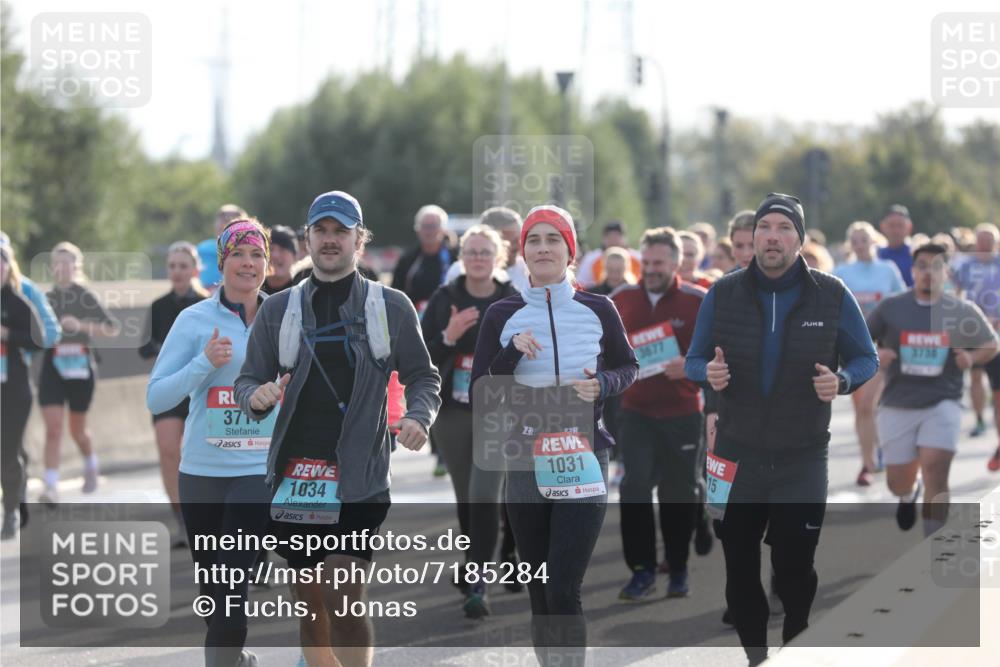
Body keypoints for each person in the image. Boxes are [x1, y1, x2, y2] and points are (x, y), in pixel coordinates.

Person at [234, 191, 441, 667]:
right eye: (321, 231)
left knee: (343, 593)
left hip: (359, 476)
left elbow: (423, 376)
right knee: (309, 604)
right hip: (295, 475)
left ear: (359, 240)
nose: (330, 240)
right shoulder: (278, 309)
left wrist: (418, 415)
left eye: (340, 232)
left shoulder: (390, 306)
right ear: (307, 240)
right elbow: (248, 379)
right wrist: (255, 397)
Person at [685, 193, 878, 666]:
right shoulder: (723, 292)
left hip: (802, 454)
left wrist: (842, 380)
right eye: (765, 227)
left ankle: (796, 634)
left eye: (784, 228)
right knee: (739, 569)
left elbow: (866, 358)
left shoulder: (831, 293)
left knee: (794, 568)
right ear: (752, 237)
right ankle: (756, 657)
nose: (773, 236)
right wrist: (707, 373)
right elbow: (693, 360)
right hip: (735, 453)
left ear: (800, 238)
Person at [471, 205, 638, 667]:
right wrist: (510, 354)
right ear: (522, 252)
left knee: (563, 586)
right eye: (534, 240)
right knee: (540, 589)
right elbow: (481, 390)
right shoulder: (501, 314)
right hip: (525, 458)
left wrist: (602, 384)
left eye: (553, 240)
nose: (543, 248)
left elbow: (628, 366)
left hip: (583, 454)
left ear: (570, 252)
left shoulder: (599, 308)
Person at [148, 218, 273, 667]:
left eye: (257, 254)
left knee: (232, 590)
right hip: (200, 474)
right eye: (238, 254)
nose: (248, 263)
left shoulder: (284, 317)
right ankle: (234, 660)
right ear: (221, 263)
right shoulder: (194, 320)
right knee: (213, 593)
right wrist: (203, 363)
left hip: (256, 472)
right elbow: (157, 396)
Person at [421, 224, 519, 618]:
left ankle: (478, 580)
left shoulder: (512, 299)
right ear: (462, 257)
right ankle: (473, 562)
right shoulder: (445, 298)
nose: (478, 258)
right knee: (467, 497)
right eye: (472, 252)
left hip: (499, 410)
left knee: (485, 493)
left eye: (485, 252)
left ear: (499, 258)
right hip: (453, 411)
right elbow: (419, 356)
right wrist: (448, 336)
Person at [868, 243, 999, 533]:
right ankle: (907, 494)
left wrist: (971, 358)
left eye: (937, 266)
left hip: (943, 401)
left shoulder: (961, 310)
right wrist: (877, 353)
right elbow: (860, 340)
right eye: (922, 266)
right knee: (897, 481)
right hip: (897, 402)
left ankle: (934, 543)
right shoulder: (891, 307)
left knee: (936, 471)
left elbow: (991, 344)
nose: (929, 272)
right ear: (913, 271)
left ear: (947, 273)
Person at [611, 227, 709, 600]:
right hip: (635, 412)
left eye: (658, 263)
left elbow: (721, 353)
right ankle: (641, 571)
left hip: (683, 414)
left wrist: (690, 366)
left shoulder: (697, 300)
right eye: (646, 262)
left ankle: (678, 569)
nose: (650, 269)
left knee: (677, 493)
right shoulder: (622, 298)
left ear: (676, 263)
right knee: (634, 488)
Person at [38, 242, 120, 504]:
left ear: (76, 267)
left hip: (81, 369)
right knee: (53, 428)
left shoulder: (84, 296)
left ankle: (91, 463)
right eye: (57, 263)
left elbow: (112, 328)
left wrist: (80, 325)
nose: (62, 268)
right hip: (52, 367)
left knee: (77, 431)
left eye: (67, 263)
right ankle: (51, 487)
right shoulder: (46, 298)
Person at [139, 241, 210, 546]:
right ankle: (182, 520)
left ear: (195, 269)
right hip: (170, 388)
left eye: (183, 266)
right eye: (172, 266)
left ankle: (208, 517)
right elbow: (145, 348)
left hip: (203, 390)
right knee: (168, 450)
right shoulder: (158, 307)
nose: (177, 271)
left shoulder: (208, 304)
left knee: (204, 455)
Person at [834, 221, 907, 486]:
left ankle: (877, 456)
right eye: (854, 241)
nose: (859, 245)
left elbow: (903, 306)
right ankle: (869, 460)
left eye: (864, 239)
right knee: (862, 408)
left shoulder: (887, 270)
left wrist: (893, 344)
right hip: (852, 349)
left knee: (872, 405)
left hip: (881, 348)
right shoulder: (841, 272)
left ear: (873, 241)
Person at [1, 243, 44, 539]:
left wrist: (7, 334)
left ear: (9, 268)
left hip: (13, 389)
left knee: (7, 451)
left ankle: (11, 512)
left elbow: (38, 340)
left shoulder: (17, 303)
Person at [949, 223, 1000, 469]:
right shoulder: (965, 265)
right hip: (972, 330)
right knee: (976, 377)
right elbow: (955, 293)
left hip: (997, 333)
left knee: (998, 390)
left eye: (989, 240)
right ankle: (979, 418)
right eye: (981, 239)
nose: (984, 244)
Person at [444, 207, 530, 292]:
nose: (520, 245)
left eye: (521, 239)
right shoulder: (459, 272)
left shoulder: (530, 272)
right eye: (514, 241)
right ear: (495, 242)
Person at [391, 204, 456, 315]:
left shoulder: (455, 258)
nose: (428, 231)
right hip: (413, 318)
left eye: (433, 226)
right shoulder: (408, 259)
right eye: (425, 226)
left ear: (443, 229)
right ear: (418, 229)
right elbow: (395, 294)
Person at [0, 233, 61, 352]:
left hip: (17, 361)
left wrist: (10, 336)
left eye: (2, 257)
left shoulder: (26, 289)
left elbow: (51, 332)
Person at [575, 220, 642, 289]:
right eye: (609, 237)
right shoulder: (591, 259)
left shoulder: (638, 258)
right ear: (603, 239)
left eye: (616, 237)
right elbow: (581, 283)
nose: (613, 241)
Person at [197, 204, 248, 291]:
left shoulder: (250, 252)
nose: (225, 222)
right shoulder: (202, 249)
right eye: (222, 218)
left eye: (233, 218)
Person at [261, 225, 306, 295]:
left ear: (295, 257)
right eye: (271, 249)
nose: (275, 255)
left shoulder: (303, 290)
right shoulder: (254, 288)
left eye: (282, 249)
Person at [878, 204, 914, 287]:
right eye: (891, 225)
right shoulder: (877, 256)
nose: (896, 230)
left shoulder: (915, 256)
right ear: (882, 226)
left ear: (909, 227)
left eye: (900, 225)